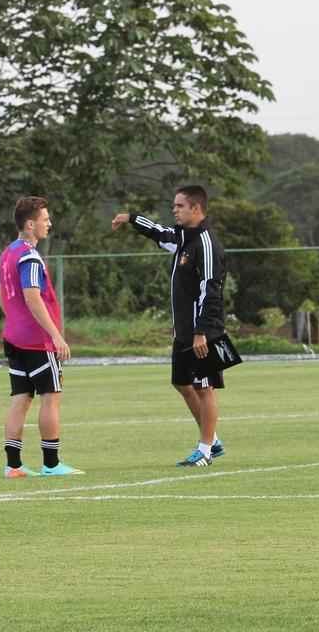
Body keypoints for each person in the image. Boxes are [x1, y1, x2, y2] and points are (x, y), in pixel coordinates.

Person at [112, 185, 227, 467]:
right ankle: (213, 440)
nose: (174, 210)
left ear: (196, 209)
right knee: (181, 383)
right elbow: (158, 232)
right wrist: (131, 218)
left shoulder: (207, 244)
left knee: (205, 386)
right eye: (174, 206)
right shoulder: (182, 238)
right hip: (184, 331)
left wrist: (202, 332)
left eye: (179, 206)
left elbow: (211, 290)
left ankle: (205, 449)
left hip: (204, 331)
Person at [0, 196, 81, 478]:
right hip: (36, 340)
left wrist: (15, 322)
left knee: (20, 398)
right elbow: (33, 297)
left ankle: (13, 465)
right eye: (45, 219)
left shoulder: (8, 252)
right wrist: (55, 335)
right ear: (30, 224)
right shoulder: (29, 256)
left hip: (13, 337)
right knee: (50, 396)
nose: (49, 223)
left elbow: (1, 296)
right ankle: (52, 464)